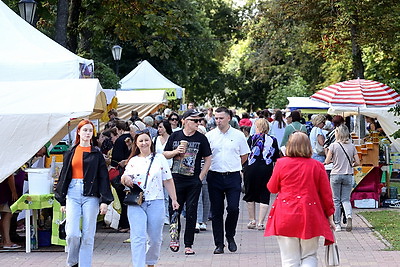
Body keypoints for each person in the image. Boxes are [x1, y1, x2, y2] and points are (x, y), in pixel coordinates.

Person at [265, 132, 335, 267]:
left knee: (289, 259)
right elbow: (326, 195)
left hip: (285, 214)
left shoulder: (281, 164)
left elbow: (272, 188)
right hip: (310, 214)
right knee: (309, 255)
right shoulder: (317, 166)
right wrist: (330, 217)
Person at [55, 119, 113, 267]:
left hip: (91, 194)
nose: (87, 133)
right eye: (85, 130)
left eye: (90, 130)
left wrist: (105, 201)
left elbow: (103, 177)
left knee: (88, 234)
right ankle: (72, 261)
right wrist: (62, 200)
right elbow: (64, 175)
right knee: (72, 233)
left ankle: (85, 264)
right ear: (79, 132)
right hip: (73, 191)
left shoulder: (96, 154)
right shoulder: (70, 152)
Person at [121, 130, 179, 267]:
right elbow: (124, 177)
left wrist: (174, 199)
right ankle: (138, 264)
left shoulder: (159, 159)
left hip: (156, 201)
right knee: (138, 237)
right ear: (136, 143)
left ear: (151, 142)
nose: (144, 143)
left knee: (155, 238)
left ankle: (150, 262)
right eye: (140, 141)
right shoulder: (133, 161)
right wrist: (126, 179)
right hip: (136, 202)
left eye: (146, 140)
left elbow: (168, 180)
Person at [163, 109, 212, 255]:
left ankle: (188, 244)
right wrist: (176, 151)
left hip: (193, 181)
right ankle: (174, 238)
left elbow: (208, 158)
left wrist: (201, 177)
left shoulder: (201, 138)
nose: (198, 123)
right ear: (185, 121)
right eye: (195, 120)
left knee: (191, 212)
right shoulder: (175, 136)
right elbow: (165, 154)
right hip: (176, 180)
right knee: (174, 210)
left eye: (199, 121)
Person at [205, 107, 250, 254]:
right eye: (216, 118)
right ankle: (219, 244)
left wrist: (235, 165)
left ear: (228, 118)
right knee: (217, 212)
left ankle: (230, 235)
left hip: (232, 176)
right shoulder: (210, 135)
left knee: (233, 208)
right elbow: (206, 157)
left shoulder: (238, 135)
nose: (218, 121)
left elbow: (244, 155)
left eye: (221, 118)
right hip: (215, 175)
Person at [243, 119, 280, 231]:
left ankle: (252, 220)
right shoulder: (273, 140)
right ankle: (260, 222)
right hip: (266, 169)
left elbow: (246, 153)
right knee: (264, 193)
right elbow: (275, 157)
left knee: (250, 193)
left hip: (251, 167)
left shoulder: (252, 138)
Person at [324, 125, 360, 232]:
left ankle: (338, 225)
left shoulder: (333, 146)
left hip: (335, 174)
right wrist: (351, 164)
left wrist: (332, 161)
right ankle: (349, 215)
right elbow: (357, 162)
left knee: (336, 200)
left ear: (337, 134)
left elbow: (327, 160)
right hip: (348, 175)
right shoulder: (352, 146)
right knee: (345, 199)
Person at [154, 119, 173, 224]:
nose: (159, 129)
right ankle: (162, 215)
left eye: (161, 127)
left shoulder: (171, 138)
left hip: (169, 167)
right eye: (158, 127)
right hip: (158, 168)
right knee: (160, 192)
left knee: (168, 193)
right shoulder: (155, 139)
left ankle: (167, 214)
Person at [0, 175, 21, 249]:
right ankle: (7, 242)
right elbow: (10, 176)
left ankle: (4, 240)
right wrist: (14, 191)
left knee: (4, 215)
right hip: (6, 192)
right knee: (8, 214)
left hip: (4, 190)